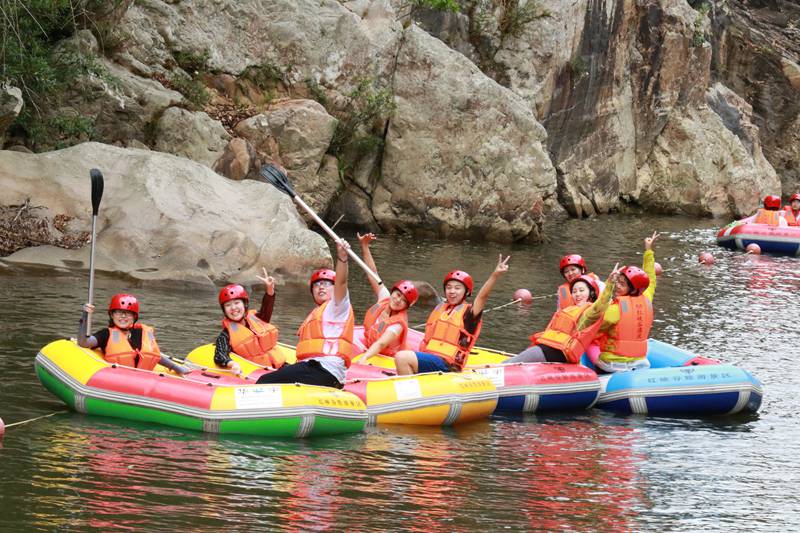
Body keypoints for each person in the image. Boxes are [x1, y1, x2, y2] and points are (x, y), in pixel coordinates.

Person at [255, 239, 353, 388]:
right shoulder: (317, 313)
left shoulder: (338, 306)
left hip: (324, 369)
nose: (321, 287)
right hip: (316, 369)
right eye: (317, 285)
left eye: (326, 284)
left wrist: (342, 258)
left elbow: (341, 282)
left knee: (263, 382)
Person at [393, 255, 510, 375]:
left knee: (402, 357)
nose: (452, 291)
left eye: (457, 288)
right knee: (404, 353)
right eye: (448, 288)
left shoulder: (469, 313)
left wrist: (495, 275)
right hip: (432, 358)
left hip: (449, 364)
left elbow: (482, 297)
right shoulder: (441, 308)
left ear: (467, 292)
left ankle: (412, 392)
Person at [504, 266, 618, 364]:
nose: (577, 294)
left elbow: (601, 304)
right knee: (513, 360)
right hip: (549, 348)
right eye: (574, 291)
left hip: (560, 353)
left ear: (591, 293)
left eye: (581, 290)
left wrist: (610, 284)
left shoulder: (588, 312)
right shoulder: (569, 309)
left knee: (513, 362)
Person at [592, 232, 659, 373]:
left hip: (612, 365)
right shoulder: (646, 297)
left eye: (622, 284)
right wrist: (648, 251)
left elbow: (594, 326)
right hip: (640, 363)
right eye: (618, 282)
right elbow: (651, 277)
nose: (617, 286)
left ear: (633, 288)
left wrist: (608, 284)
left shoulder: (616, 308)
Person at [78, 294, 190, 374]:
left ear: (134, 317)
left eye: (128, 313)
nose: (123, 316)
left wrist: (176, 367)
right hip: (118, 380)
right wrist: (85, 316)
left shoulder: (143, 332)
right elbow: (84, 342)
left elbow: (155, 355)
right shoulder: (106, 334)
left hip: (144, 379)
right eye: (119, 312)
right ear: (112, 315)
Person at [356, 232, 419, 361]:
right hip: (369, 345)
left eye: (403, 300)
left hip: (387, 358)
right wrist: (364, 246)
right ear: (393, 292)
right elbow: (371, 272)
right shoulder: (385, 297)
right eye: (397, 295)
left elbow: (382, 343)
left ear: (407, 306)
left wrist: (364, 357)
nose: (397, 300)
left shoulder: (398, 324)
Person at [214, 268, 285, 375]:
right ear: (224, 310)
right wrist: (232, 364)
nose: (233, 308)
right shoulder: (226, 335)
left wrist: (270, 290)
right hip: (258, 374)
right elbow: (220, 355)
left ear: (245, 305)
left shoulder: (258, 318)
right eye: (228, 305)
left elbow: (267, 308)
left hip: (280, 366)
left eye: (237, 303)